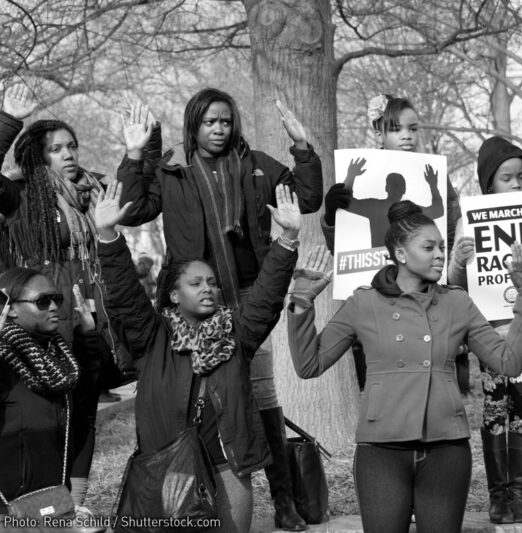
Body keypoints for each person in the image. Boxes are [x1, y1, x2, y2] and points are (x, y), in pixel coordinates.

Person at [118, 89, 323, 531]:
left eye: (226, 121)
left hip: (247, 299)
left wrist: (302, 147)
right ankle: (183, 481)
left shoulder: (254, 166)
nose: (219, 129)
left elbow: (307, 195)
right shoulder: (172, 171)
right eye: (210, 121)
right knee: (191, 399)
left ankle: (282, 498)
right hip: (190, 306)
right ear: (193, 125)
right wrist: (135, 155)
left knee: (257, 396)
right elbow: (132, 209)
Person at [287, 200, 522, 533]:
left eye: (441, 247)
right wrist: (302, 300)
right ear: (401, 253)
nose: (440, 254)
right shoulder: (364, 303)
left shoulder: (457, 302)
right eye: (429, 247)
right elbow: (309, 364)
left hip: (446, 448)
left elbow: (509, 363)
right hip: (381, 450)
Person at [95, 181, 306, 533]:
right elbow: (125, 297)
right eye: (196, 283)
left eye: (211, 282)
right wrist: (108, 236)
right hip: (168, 468)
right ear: (174, 295)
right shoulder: (152, 337)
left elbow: (268, 296)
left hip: (228, 465)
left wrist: (288, 240)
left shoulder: (237, 332)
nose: (208, 288)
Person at [0, 83, 125, 515]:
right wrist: (8, 123)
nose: (69, 154)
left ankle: (76, 506)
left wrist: (141, 151)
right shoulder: (19, 199)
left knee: (84, 414)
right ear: (37, 157)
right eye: (56, 149)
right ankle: (40, 508)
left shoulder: (91, 195)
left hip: (89, 322)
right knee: (45, 421)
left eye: (72, 146)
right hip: (43, 326)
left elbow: (142, 199)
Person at [322, 94, 464, 392]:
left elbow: (447, 222)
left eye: (413, 129)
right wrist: (334, 209)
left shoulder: (433, 183)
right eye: (397, 129)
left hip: (423, 298)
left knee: (426, 378)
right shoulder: (370, 200)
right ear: (380, 133)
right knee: (382, 382)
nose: (406, 136)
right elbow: (343, 241)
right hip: (376, 296)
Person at [447, 136, 522, 524]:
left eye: (521, 177)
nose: (514, 185)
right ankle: (498, 497)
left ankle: (519, 496)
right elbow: (453, 282)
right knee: (496, 409)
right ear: (488, 183)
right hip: (488, 332)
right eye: (506, 178)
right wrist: (459, 262)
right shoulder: (468, 220)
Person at [0, 268, 81, 516]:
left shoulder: (59, 359)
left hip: (55, 500)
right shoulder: (3, 361)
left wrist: (89, 337)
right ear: (10, 308)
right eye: (42, 301)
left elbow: (88, 414)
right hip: (8, 508)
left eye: (57, 299)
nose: (54, 307)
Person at [340, 158, 443, 248]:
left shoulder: (376, 206)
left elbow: (346, 202)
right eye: (394, 185)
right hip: (394, 263)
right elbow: (438, 210)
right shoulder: (410, 210)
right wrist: (433, 185)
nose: (396, 188)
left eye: (398, 185)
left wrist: (351, 175)